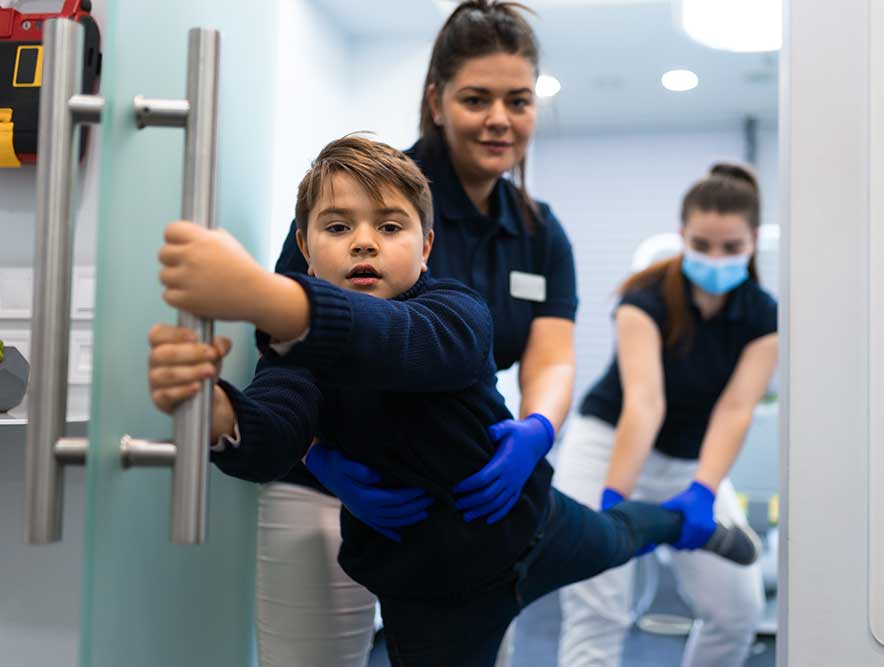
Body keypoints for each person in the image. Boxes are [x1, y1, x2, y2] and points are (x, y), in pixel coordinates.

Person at [146, 136, 759, 667]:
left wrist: (265, 296)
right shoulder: (296, 357)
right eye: (338, 227)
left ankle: (686, 524)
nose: (364, 242)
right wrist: (217, 413)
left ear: (426, 246)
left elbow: (402, 343)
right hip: (434, 591)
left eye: (389, 227)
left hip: (536, 525)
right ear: (303, 249)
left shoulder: (455, 311)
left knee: (620, 534)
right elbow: (272, 432)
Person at [269, 2, 577, 664]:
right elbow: (281, 348)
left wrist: (536, 433)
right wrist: (320, 456)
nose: (500, 118)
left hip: (463, 489)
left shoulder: (539, 231)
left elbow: (551, 359)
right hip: (328, 482)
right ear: (436, 101)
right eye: (477, 98)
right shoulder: (364, 199)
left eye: (518, 100)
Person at [554, 164, 779, 667]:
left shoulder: (764, 316)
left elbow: (736, 408)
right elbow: (645, 403)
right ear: (682, 235)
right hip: (609, 448)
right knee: (598, 609)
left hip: (692, 459)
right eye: (701, 244)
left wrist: (703, 490)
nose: (715, 258)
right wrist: (614, 502)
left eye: (730, 247)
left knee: (737, 611)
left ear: (753, 241)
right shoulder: (645, 299)